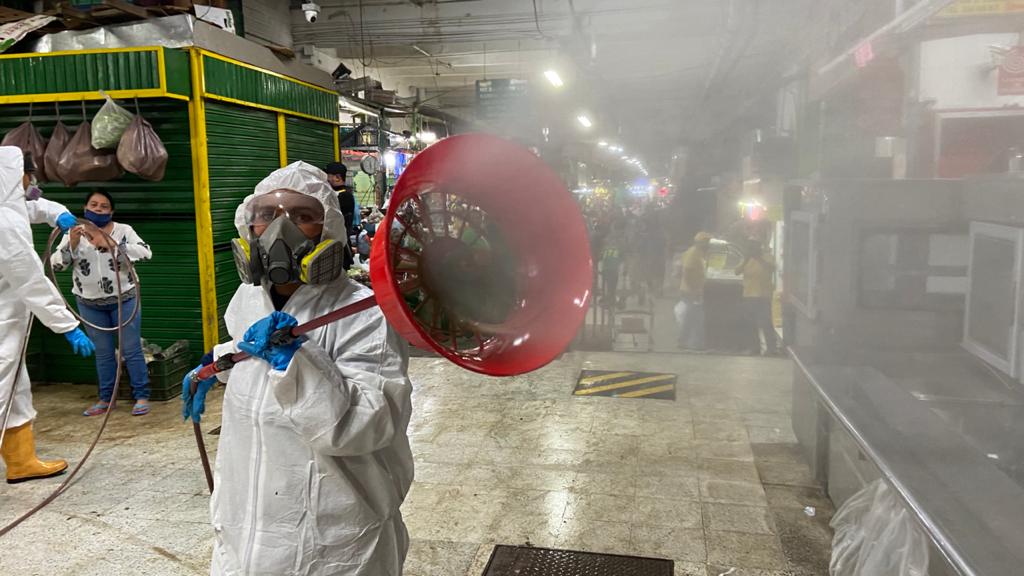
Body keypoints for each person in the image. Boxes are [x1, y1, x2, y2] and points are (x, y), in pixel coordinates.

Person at [182, 162, 414, 575]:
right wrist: (218, 365)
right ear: (249, 226)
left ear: (329, 233)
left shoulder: (364, 315)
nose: (279, 229)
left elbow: (368, 425)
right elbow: (250, 347)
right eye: (267, 215)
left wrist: (297, 360)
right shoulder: (247, 296)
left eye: (302, 217)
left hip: (335, 532)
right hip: (249, 521)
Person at [0, 148, 95, 483]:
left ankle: (21, 460)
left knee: (15, 388)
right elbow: (31, 281)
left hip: (9, 320)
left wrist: (58, 214)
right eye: (30, 174)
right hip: (1, 321)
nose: (33, 182)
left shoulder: (8, 207)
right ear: (15, 176)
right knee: (1, 390)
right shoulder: (6, 224)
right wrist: (67, 326)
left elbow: (32, 206)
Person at [51, 191, 154, 416]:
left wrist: (113, 245)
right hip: (89, 303)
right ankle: (106, 399)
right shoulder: (72, 233)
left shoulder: (123, 231)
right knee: (104, 352)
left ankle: (142, 396)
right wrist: (72, 243)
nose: (98, 209)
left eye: (103, 206)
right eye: (94, 205)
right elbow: (57, 265)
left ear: (111, 211)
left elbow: (146, 252)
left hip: (124, 298)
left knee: (131, 348)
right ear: (85, 207)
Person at [736, 238, 779, 355]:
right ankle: (754, 348)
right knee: (750, 323)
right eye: (750, 247)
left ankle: (771, 348)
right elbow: (737, 271)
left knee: (766, 322)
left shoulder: (767, 256)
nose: (751, 249)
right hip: (749, 295)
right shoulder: (746, 259)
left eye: (753, 247)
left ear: (759, 247)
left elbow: (772, 268)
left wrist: (759, 258)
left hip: (763, 295)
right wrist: (746, 259)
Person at [676, 231, 712, 351]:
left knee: (691, 317)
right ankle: (694, 343)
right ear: (700, 243)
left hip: (694, 290)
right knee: (695, 318)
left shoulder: (699, 253)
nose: (708, 244)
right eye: (706, 242)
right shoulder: (693, 254)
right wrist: (693, 291)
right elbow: (686, 273)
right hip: (690, 291)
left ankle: (687, 342)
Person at [326, 161, 357, 270]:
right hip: (334, 246)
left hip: (341, 247)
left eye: (328, 177)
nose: (326, 180)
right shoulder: (337, 194)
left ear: (338, 177)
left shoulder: (344, 196)